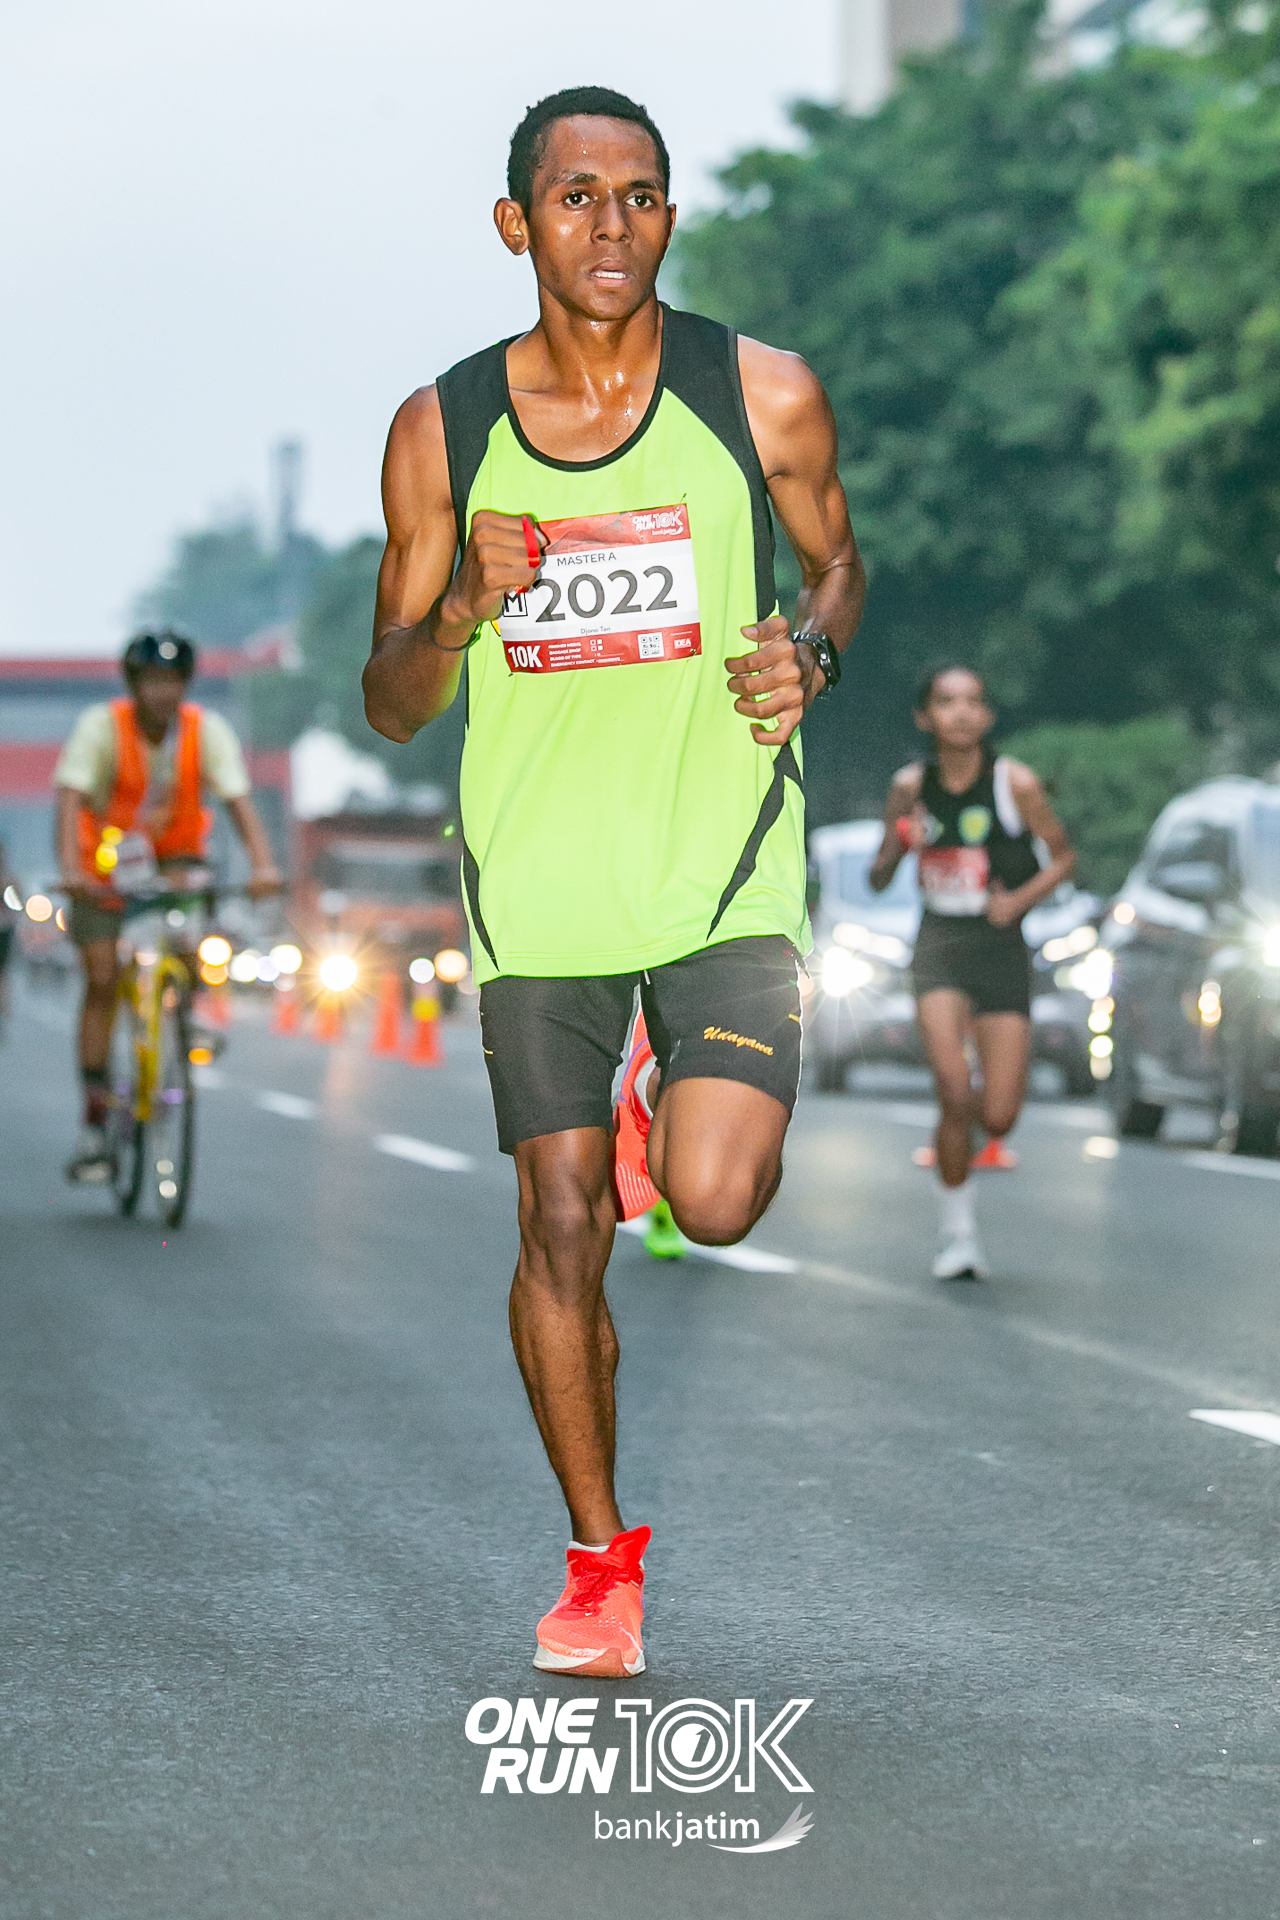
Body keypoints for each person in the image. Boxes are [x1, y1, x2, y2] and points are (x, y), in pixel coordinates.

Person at [363, 87, 864, 1676]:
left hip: (724, 865)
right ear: (516, 223)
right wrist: (460, 611)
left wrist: (814, 650)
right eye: (576, 196)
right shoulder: (444, 430)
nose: (611, 225)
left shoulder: (760, 392)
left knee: (713, 1204)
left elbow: (838, 562)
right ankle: (598, 1565)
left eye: (640, 195)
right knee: (562, 1221)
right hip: (541, 886)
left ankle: (668, 1093)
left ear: (670, 215)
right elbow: (391, 699)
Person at [869, 665, 1075, 1279]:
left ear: (986, 716)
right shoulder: (910, 786)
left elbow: (1063, 858)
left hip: (999, 945)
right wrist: (901, 842)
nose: (960, 712)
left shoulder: (1015, 782)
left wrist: (1018, 902)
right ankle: (957, 1237)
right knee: (954, 1091)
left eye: (972, 702)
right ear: (924, 716)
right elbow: (878, 876)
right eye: (946, 701)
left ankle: (969, 1136)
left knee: (999, 1115)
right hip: (940, 943)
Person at [55, 631, 282, 1183]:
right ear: (134, 684)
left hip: (176, 863)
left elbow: (239, 802)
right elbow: (70, 798)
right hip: (104, 873)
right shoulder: (101, 728)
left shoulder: (206, 732)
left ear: (186, 684)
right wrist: (71, 870)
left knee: (192, 937)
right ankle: (94, 1124)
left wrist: (263, 866)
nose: (163, 692)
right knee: (102, 977)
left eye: (173, 681)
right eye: (152, 681)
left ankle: (184, 1017)